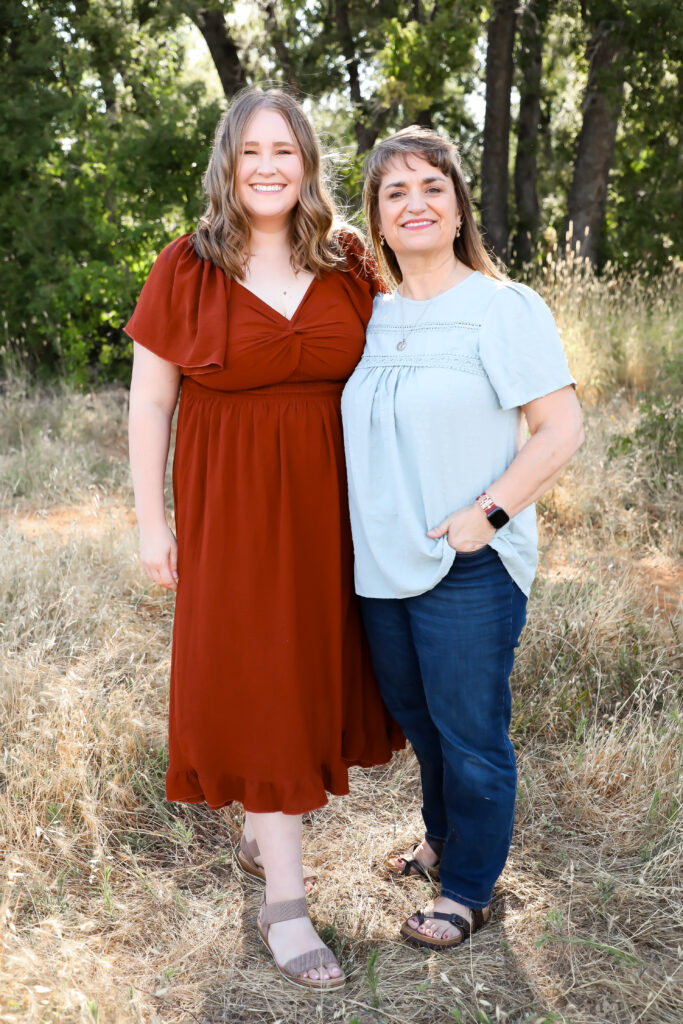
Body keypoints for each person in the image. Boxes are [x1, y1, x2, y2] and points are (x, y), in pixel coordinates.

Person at [126, 88, 402, 989]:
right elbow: (150, 404)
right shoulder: (186, 266)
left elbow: (414, 348)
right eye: (252, 151)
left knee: (306, 675)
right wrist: (151, 523)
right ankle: (284, 901)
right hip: (233, 513)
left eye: (284, 149)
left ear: (307, 161)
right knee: (261, 676)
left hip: (332, 512)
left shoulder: (349, 261)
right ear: (228, 165)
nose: (270, 166)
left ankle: (260, 829)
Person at [341, 126, 584, 950]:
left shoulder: (500, 307)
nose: (414, 204)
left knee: (470, 731)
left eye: (430, 189)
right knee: (420, 719)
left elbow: (559, 428)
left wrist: (487, 513)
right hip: (379, 562)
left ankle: (471, 889)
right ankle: (440, 838)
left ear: (456, 209)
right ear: (375, 216)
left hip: (467, 563)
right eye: (394, 192)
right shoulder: (365, 317)